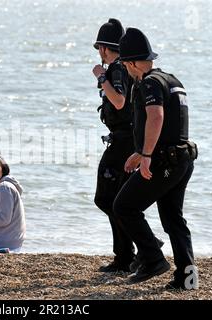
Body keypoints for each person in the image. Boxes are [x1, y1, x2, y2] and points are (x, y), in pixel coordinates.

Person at [113, 28, 198, 289]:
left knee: (124, 207)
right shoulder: (172, 80)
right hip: (183, 158)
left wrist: (147, 155)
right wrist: (140, 152)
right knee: (174, 219)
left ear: (129, 63)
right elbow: (172, 125)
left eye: (125, 65)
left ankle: (153, 259)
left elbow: (157, 116)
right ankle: (187, 279)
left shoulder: (149, 82)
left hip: (163, 160)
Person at [91, 18, 136, 272]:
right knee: (116, 198)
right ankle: (126, 256)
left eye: (100, 48)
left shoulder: (117, 68)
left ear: (105, 49)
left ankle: (132, 250)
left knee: (106, 198)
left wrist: (100, 78)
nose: (100, 53)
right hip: (125, 139)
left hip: (123, 141)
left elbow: (118, 101)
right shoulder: (124, 67)